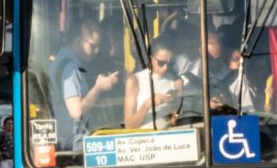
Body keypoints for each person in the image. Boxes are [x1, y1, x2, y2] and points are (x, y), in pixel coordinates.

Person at [50, 20, 121, 150]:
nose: (97, 50)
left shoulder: (64, 61)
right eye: (93, 46)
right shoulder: (70, 68)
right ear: (78, 42)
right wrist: (99, 87)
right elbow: (77, 111)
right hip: (74, 143)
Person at [124, 36, 183, 130]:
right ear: (151, 58)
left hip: (169, 137)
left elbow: (174, 120)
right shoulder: (135, 80)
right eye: (161, 63)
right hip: (144, 140)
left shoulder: (176, 82)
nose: (165, 68)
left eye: (170, 63)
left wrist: (175, 114)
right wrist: (147, 104)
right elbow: (129, 126)